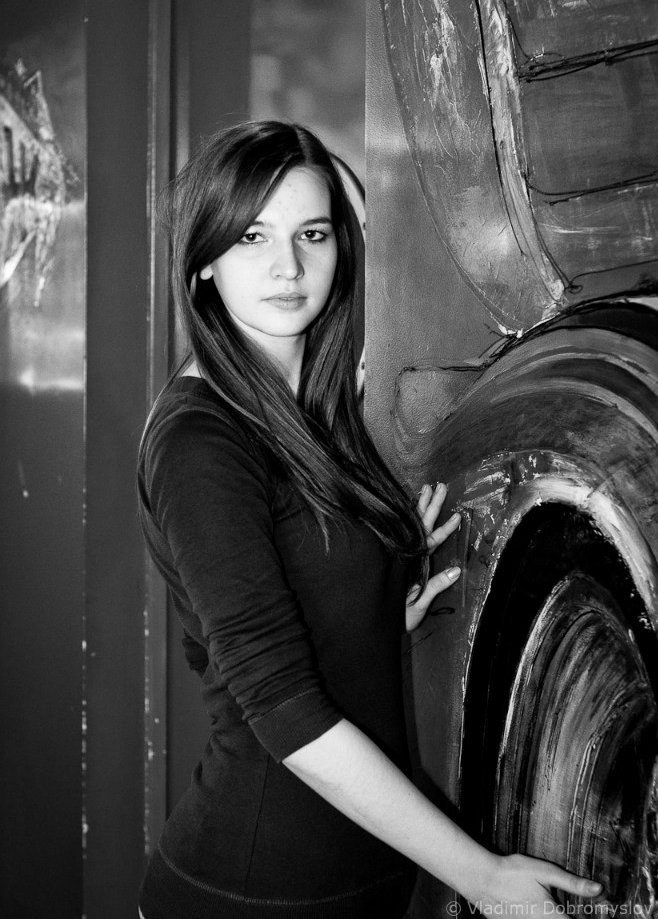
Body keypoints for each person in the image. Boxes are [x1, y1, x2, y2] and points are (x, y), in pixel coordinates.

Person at [137, 121, 602, 919]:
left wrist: (377, 602)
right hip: (256, 892)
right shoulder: (201, 442)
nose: (288, 267)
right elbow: (278, 704)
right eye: (252, 236)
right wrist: (482, 877)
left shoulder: (303, 411)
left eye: (312, 234)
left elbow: (255, 616)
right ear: (203, 259)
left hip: (357, 887)